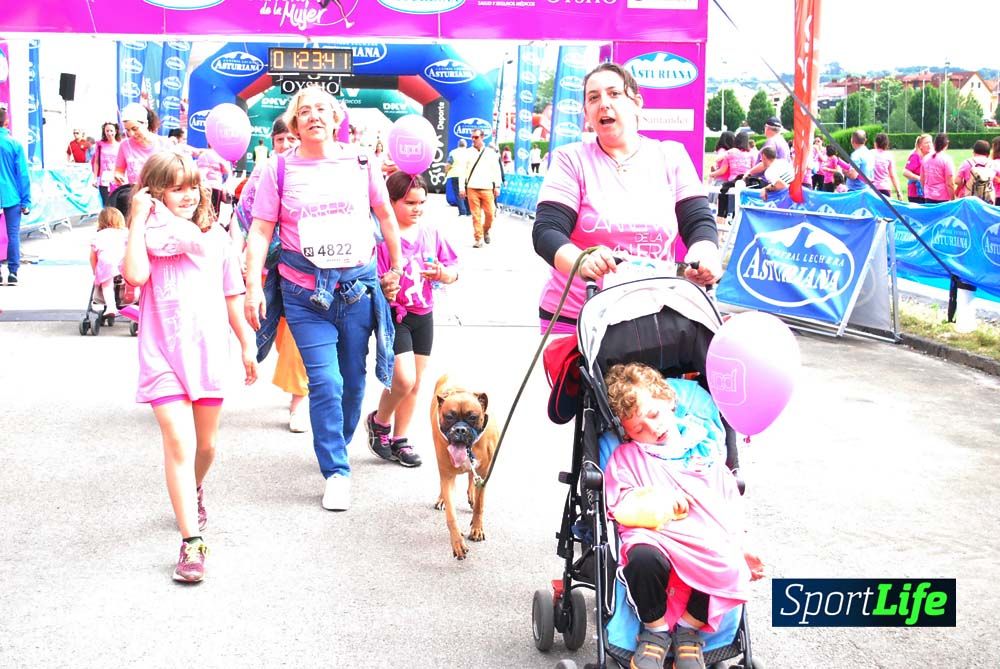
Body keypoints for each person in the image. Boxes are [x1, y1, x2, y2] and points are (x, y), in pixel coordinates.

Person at [244, 85, 404, 512]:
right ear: (295, 125)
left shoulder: (361, 161)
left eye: (323, 109)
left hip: (357, 289)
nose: (314, 115)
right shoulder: (277, 170)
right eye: (304, 111)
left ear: (337, 118)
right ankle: (336, 469)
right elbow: (260, 230)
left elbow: (385, 215)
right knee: (326, 383)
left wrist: (397, 266)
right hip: (303, 293)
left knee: (353, 384)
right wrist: (253, 284)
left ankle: (337, 441)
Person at [121, 151, 258, 583]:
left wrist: (248, 344)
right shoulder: (146, 236)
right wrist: (137, 220)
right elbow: (135, 278)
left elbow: (232, 296)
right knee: (179, 445)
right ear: (154, 191)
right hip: (160, 353)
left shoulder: (214, 236)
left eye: (191, 186)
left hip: (207, 353)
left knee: (207, 447)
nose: (186, 195)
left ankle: (194, 489)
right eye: (174, 187)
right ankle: (191, 543)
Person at [531, 62, 721, 335]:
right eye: (593, 98)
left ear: (636, 103)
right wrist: (581, 261)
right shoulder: (570, 159)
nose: (604, 104)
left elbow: (698, 221)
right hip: (579, 316)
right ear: (586, 113)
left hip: (655, 314)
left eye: (614, 94)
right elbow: (546, 231)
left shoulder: (671, 155)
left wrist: (704, 256)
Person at [603, 363, 763, 669]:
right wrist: (658, 499)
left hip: (703, 534)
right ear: (626, 432)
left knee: (730, 563)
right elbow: (621, 505)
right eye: (638, 429)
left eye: (653, 415)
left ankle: (689, 630)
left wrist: (740, 547)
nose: (652, 429)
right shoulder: (627, 458)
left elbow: (725, 501)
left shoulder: (703, 447)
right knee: (642, 558)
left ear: (668, 400)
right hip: (656, 535)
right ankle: (656, 630)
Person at [366, 171, 459, 468]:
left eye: (421, 202)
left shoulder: (431, 233)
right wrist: (385, 284)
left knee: (416, 383)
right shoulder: (380, 239)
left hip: (424, 313)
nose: (417, 208)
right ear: (390, 203)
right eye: (409, 203)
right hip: (397, 316)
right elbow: (374, 279)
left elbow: (453, 269)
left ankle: (400, 439)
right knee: (403, 379)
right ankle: (380, 422)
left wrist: (442, 274)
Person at [234, 118, 309, 433]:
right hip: (266, 266)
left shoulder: (316, 172)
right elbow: (243, 219)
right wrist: (239, 257)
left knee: (297, 333)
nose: (288, 144)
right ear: (272, 142)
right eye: (281, 139)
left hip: (303, 268)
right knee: (275, 330)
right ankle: (294, 381)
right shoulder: (262, 173)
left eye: (293, 137)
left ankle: (299, 400)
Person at [114, 103, 171, 214]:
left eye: (135, 129)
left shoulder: (164, 144)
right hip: (137, 199)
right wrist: (118, 176)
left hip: (162, 198)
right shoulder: (124, 145)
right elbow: (119, 171)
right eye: (127, 130)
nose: (131, 134)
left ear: (145, 123)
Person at [0, 107, 31, 286]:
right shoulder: (14, 144)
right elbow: (23, 175)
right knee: (13, 234)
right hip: (12, 194)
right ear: (6, 122)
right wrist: (26, 200)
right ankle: (13, 272)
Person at [459, 130, 504, 248]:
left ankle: (485, 230)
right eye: (472, 137)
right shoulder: (467, 153)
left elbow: (496, 170)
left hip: (487, 188)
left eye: (476, 137)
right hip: (472, 187)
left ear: (482, 137)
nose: (473, 139)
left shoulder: (491, 153)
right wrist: (461, 188)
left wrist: (497, 186)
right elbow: (462, 171)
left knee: (490, 214)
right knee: (476, 215)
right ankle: (478, 238)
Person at [89, 206, 128, 320]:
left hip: (106, 264)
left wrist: (95, 270)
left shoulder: (98, 235)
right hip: (124, 263)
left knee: (107, 285)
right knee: (132, 283)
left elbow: (92, 256)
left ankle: (111, 307)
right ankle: (133, 303)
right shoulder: (126, 233)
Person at [195, 147, 232, 217]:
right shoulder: (219, 155)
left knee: (202, 209)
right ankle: (212, 225)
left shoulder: (203, 155)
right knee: (215, 210)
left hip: (203, 186)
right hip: (216, 185)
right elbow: (226, 170)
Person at [92, 122, 121, 207]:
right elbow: (96, 162)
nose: (109, 133)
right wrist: (94, 178)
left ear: (115, 131)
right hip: (104, 178)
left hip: (116, 178)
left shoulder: (120, 145)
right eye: (107, 131)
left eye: (111, 131)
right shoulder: (100, 145)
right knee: (106, 204)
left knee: (116, 203)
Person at [920, 133, 955, 204]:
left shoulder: (926, 158)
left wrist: (926, 191)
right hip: (943, 197)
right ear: (946, 144)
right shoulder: (946, 159)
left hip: (929, 196)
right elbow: (950, 183)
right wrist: (953, 198)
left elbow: (922, 179)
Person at [902, 133, 932, 204]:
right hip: (916, 194)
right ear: (920, 146)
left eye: (930, 142)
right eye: (926, 143)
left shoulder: (929, 157)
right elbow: (905, 172)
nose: (929, 145)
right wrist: (919, 178)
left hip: (927, 193)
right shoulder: (915, 156)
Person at [445, 139, 472, 217]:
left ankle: (462, 211)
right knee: (466, 193)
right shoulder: (469, 153)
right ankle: (469, 211)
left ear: (458, 145)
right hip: (466, 176)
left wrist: (446, 172)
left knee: (458, 194)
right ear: (466, 145)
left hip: (455, 175)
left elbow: (449, 164)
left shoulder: (453, 152)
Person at [871, 133, 901, 199]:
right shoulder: (889, 156)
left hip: (872, 188)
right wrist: (898, 191)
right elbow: (892, 175)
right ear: (886, 144)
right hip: (885, 188)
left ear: (875, 143)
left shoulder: (870, 153)